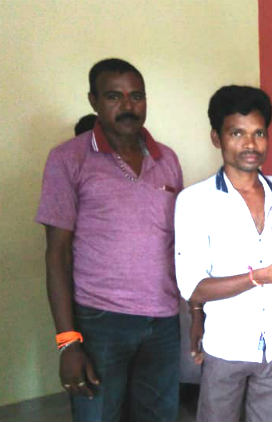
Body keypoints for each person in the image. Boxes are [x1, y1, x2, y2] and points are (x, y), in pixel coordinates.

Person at [36, 58, 183, 421]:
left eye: (136, 96)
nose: (128, 106)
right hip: (101, 321)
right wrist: (67, 342)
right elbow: (57, 255)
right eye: (114, 96)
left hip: (163, 320)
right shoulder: (68, 158)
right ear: (94, 101)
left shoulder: (167, 159)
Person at [174, 85, 272, 422]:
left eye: (259, 133)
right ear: (217, 138)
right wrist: (261, 277)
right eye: (237, 133)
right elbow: (193, 287)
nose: (250, 144)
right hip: (226, 345)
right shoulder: (194, 201)